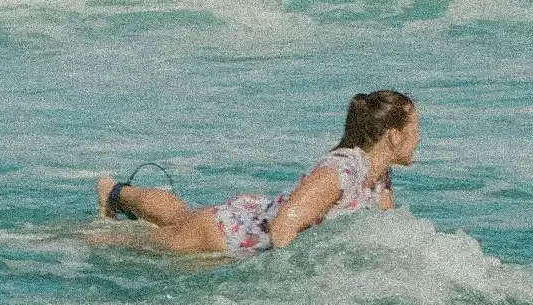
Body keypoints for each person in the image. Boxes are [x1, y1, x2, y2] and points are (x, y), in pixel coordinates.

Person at [94, 89, 419, 258]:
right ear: (393, 136)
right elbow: (281, 230)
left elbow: (380, 232)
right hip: (221, 238)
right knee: (117, 244)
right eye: (415, 129)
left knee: (182, 214)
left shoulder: (379, 177)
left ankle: (114, 193)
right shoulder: (340, 172)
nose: (418, 138)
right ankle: (56, 237)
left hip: (237, 222)